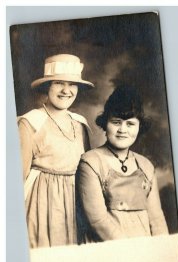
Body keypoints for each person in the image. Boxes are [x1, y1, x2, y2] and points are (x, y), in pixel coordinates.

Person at [18, 54, 94, 248]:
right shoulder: (31, 122)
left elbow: (89, 172)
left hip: (76, 203)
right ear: (47, 86)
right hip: (43, 205)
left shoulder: (80, 123)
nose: (66, 90)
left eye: (72, 84)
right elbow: (17, 178)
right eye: (59, 83)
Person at [77, 85, 168, 242]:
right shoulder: (90, 162)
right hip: (110, 248)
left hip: (146, 249)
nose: (122, 130)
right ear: (105, 124)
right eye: (116, 122)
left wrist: (163, 251)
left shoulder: (146, 165)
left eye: (130, 124)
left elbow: (157, 219)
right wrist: (129, 250)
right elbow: (97, 220)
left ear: (140, 127)